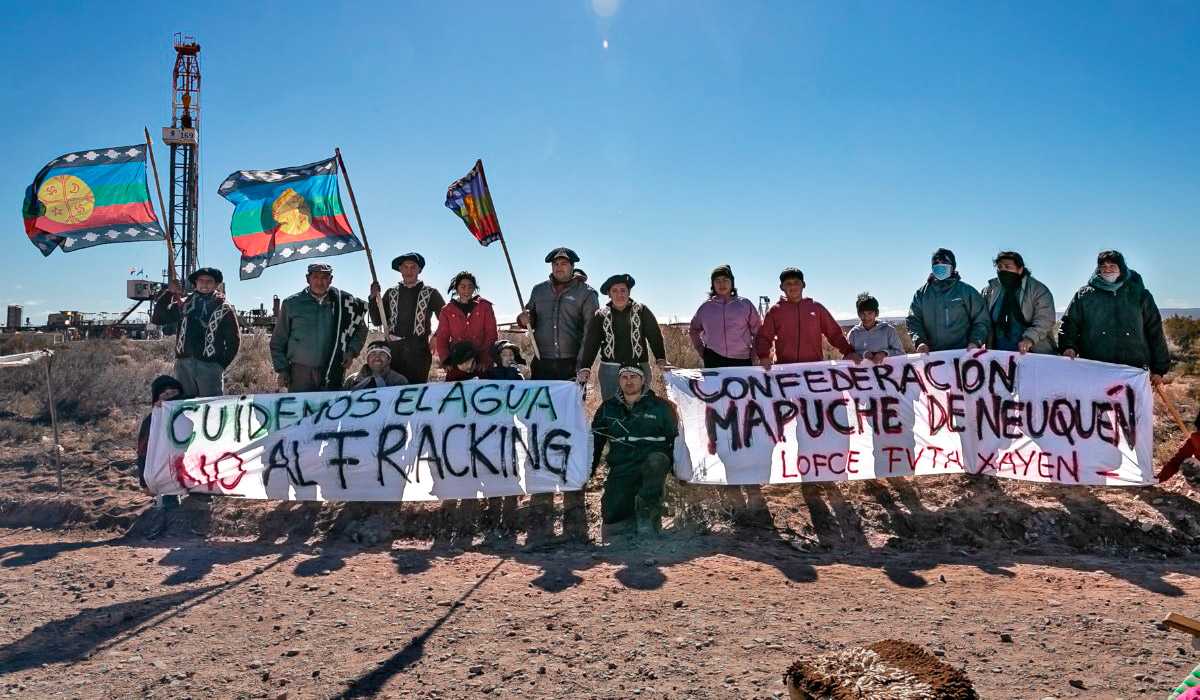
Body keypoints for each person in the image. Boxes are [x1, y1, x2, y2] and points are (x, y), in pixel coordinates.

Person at [591, 362, 679, 538]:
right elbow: (596, 441)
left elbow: (675, 439)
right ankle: (631, 513)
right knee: (611, 520)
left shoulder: (661, 406)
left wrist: (678, 470)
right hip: (622, 465)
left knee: (656, 461)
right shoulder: (608, 408)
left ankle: (649, 519)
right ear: (618, 381)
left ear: (643, 380)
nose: (628, 381)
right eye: (624, 377)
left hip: (652, 462)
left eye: (633, 377)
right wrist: (589, 469)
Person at [1057, 250, 1172, 386]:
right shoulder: (1085, 295)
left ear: (1121, 268)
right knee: (1097, 406)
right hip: (1095, 368)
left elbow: (1155, 331)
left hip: (1134, 369)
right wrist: (1068, 346)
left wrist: (1159, 369)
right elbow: (1069, 323)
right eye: (1103, 267)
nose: (1108, 270)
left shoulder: (1140, 295)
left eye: (1112, 266)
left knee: (1132, 407)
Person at [270, 262, 368, 392]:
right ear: (307, 278)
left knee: (332, 410)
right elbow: (278, 340)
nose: (320, 282)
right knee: (301, 410)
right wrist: (282, 370)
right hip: (300, 372)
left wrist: (351, 351)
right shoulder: (292, 304)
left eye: (324, 277)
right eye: (315, 277)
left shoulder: (343, 302)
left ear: (331, 279)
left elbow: (361, 329)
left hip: (333, 368)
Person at [150, 267, 240, 397]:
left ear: (216, 284)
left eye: (209, 281)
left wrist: (219, 365)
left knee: (210, 408)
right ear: (195, 283)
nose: (204, 284)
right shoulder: (185, 304)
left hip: (210, 367)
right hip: (183, 365)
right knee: (185, 408)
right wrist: (169, 293)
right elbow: (158, 318)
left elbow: (234, 341)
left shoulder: (224, 308)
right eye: (201, 281)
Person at [577, 274, 668, 401]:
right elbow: (592, 343)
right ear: (609, 294)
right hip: (609, 370)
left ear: (629, 292)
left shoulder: (641, 310)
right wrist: (586, 366)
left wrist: (660, 358)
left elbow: (655, 335)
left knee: (640, 407)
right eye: (614, 291)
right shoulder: (601, 315)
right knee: (611, 408)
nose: (619, 294)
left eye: (623, 290)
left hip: (639, 367)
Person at [516, 247, 599, 380]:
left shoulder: (587, 293)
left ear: (572, 266)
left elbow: (591, 332)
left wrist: (584, 364)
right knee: (541, 401)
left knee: (571, 401)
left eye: (564, 264)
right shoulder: (539, 290)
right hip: (541, 362)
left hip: (572, 365)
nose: (559, 268)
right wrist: (523, 320)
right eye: (555, 264)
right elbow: (529, 319)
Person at [756, 268, 862, 371]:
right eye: (788, 283)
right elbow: (764, 337)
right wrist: (763, 356)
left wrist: (849, 352)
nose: (792, 286)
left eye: (796, 282)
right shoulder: (775, 311)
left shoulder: (817, 308)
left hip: (814, 369)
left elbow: (834, 334)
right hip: (784, 370)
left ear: (803, 285)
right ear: (781, 287)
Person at [369, 252, 445, 383]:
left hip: (419, 350)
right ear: (400, 269)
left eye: (413, 267)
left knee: (416, 389)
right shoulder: (391, 293)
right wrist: (372, 298)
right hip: (393, 349)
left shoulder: (431, 292)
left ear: (419, 270)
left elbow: (446, 318)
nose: (409, 271)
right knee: (393, 388)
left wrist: (437, 336)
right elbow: (376, 321)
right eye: (405, 267)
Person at [905, 248, 990, 353]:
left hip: (962, 355)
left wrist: (975, 342)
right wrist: (920, 341)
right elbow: (913, 320)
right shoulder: (921, 294)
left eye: (944, 262)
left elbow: (981, 320)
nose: (940, 265)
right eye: (936, 263)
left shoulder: (967, 291)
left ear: (953, 266)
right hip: (932, 357)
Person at [979, 251, 1056, 354]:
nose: (1003, 271)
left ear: (1019, 270)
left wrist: (1029, 339)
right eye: (1000, 267)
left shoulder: (1038, 290)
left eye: (1008, 267)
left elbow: (1045, 320)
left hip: (1033, 353)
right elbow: (981, 318)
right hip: (999, 354)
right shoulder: (990, 290)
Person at [688, 264, 762, 368]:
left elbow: (758, 332)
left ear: (732, 282)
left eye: (725, 279)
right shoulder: (705, 308)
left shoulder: (745, 305)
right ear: (713, 285)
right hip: (713, 359)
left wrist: (754, 354)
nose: (722, 284)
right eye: (717, 280)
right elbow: (693, 330)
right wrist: (702, 351)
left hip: (741, 359)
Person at [433, 271, 498, 382]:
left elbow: (491, 335)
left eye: (470, 287)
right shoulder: (447, 310)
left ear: (474, 288)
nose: (467, 291)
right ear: (457, 289)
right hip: (457, 362)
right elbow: (442, 337)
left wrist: (485, 360)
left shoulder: (485, 306)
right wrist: (446, 360)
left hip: (479, 363)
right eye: (463, 287)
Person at [136, 375, 184, 490]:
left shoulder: (192, 411)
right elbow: (143, 453)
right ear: (157, 399)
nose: (171, 397)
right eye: (166, 395)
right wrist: (144, 484)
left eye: (174, 392)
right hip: (166, 473)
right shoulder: (151, 421)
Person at [846, 292, 905, 363]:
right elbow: (847, 356)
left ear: (876, 313)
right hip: (861, 373)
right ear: (858, 314)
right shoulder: (853, 333)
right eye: (862, 313)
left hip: (887, 372)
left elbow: (901, 353)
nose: (866, 317)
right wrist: (863, 354)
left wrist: (885, 353)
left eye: (870, 313)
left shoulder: (888, 330)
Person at [344, 341, 409, 389]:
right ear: (367, 359)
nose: (377, 358)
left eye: (382, 354)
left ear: (389, 360)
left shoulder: (399, 381)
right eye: (373, 354)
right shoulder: (351, 381)